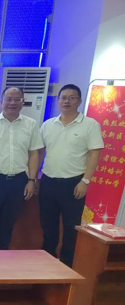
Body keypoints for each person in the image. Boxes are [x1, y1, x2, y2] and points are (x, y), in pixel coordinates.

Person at [39, 84, 103, 267]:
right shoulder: (48, 125)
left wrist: (85, 181)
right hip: (48, 181)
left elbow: (94, 153)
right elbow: (40, 151)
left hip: (74, 183)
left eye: (72, 97)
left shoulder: (90, 125)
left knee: (71, 227)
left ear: (79, 101)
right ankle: (46, 262)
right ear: (58, 100)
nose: (67, 101)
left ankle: (67, 265)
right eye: (63, 97)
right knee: (48, 225)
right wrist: (34, 177)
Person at [0, 87, 43, 250]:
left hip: (18, 181)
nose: (12, 103)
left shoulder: (31, 125)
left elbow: (34, 153)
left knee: (8, 223)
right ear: (1, 102)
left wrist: (31, 180)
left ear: (23, 102)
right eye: (9, 99)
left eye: (17, 99)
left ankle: (0, 260)